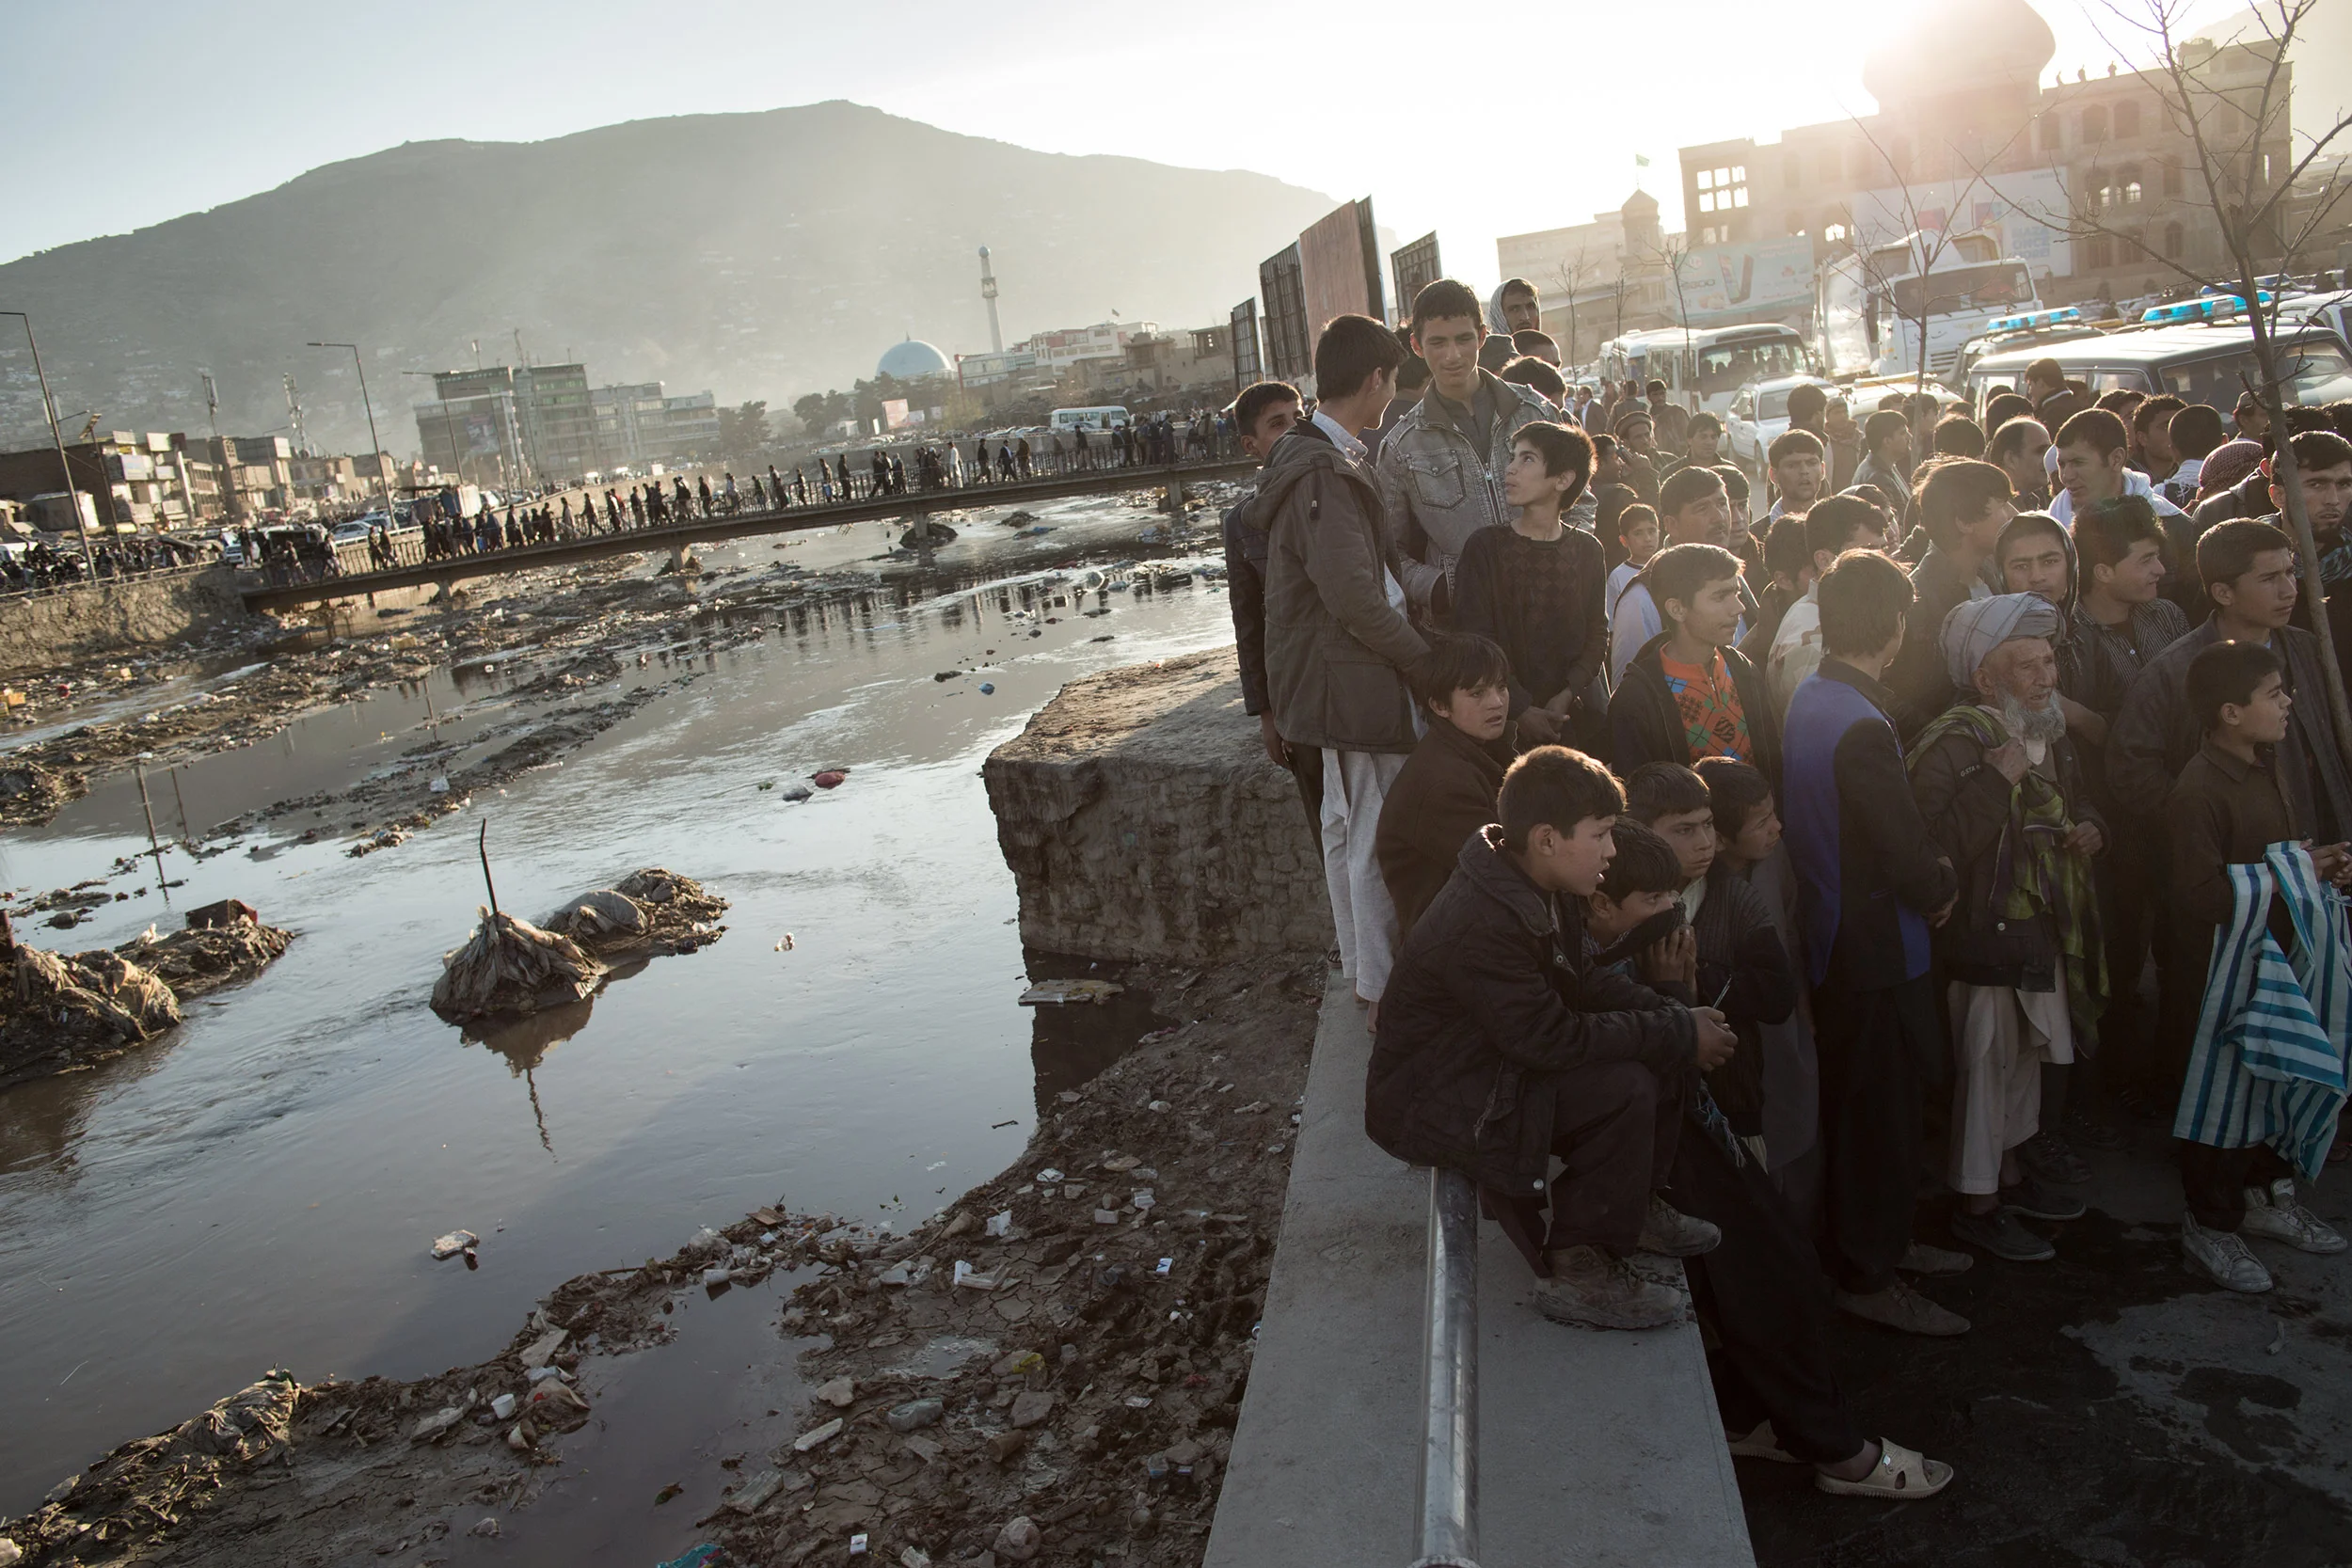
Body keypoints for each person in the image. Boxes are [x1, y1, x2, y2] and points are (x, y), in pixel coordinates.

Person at [1366, 747, 1738, 1330]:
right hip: (1438, 1097)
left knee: (1663, 1043)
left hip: (1486, 1061)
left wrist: (1674, 1015)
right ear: (1546, 839)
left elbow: (1582, 983)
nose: (1612, 852)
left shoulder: (1536, 882)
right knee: (1628, 1084)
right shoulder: (1484, 922)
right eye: (1601, 835)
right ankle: (1579, 1271)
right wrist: (1671, 1026)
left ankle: (1632, 1207)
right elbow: (1550, 1039)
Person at [1781, 550, 1968, 1335]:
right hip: (1874, 947)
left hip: (1832, 937)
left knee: (1864, 1108)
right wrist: (1942, 885)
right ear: (1895, 625)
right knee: (1879, 1116)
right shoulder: (1860, 721)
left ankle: (1880, 1242)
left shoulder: (1811, 694)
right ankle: (1868, 1271)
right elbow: (1901, 849)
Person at [1907, 594, 2106, 1263]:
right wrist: (1994, 784)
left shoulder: (2047, 731)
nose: (2045, 676)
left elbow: (2077, 802)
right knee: (1986, 1070)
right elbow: (1927, 850)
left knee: (2022, 1064)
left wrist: (2090, 828)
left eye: (2049, 661)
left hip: (2040, 931)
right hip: (1981, 940)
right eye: (2026, 666)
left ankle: (2010, 1179)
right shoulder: (1955, 740)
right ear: (1986, 678)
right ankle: (1976, 1205)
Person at [2166, 640, 2352, 1293]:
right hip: (2222, 975)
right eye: (2273, 694)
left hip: (2274, 960)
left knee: (2272, 1080)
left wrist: (2315, 862)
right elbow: (2199, 895)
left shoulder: (2266, 763)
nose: (2287, 702)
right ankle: (2210, 1225)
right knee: (2221, 1098)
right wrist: (2296, 871)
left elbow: (2274, 858)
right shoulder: (2199, 789)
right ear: (2230, 712)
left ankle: (2266, 1197)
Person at [1259, 316, 1424, 1027]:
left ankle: (1362, 969)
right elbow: (1355, 594)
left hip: (1327, 675)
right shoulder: (1324, 468)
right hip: (1350, 676)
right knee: (1372, 830)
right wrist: (1423, 660)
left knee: (1344, 824)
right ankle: (1382, 988)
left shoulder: (1305, 456)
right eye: (1392, 382)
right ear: (1377, 380)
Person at [1621, 762, 1799, 1154]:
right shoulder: (1618, 902)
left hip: (1733, 1102)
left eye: (1707, 824)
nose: (1704, 842)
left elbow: (1778, 994)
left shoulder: (1736, 900)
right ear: (1641, 833)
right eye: (1684, 830)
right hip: (1650, 1114)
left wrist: (1697, 979)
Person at [1378, 279, 1565, 606]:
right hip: (1467, 631)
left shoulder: (1535, 411)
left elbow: (1581, 500)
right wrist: (1443, 588)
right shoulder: (1403, 446)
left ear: (1481, 337)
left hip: (1552, 609)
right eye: (1437, 342)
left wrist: (1565, 563)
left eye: (1463, 339)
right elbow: (1389, 553)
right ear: (1417, 347)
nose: (1453, 356)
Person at [1452, 422, 1607, 747]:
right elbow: (1475, 637)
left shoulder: (1588, 550)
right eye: (1512, 458)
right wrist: (1521, 708)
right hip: (1500, 724)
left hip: (1569, 718)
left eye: (1527, 459)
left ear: (1563, 479)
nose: (1510, 469)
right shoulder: (1486, 548)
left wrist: (1567, 694)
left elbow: (1597, 634)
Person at [1219, 380, 1316, 836]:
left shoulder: (1332, 489)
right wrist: (1266, 714)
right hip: (1298, 693)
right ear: (1250, 444)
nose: (1295, 430)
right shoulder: (1241, 524)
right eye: (1278, 424)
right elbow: (1249, 624)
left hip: (1357, 683)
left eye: (1299, 417)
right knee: (1327, 823)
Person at [1375, 633, 1517, 937]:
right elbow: (1508, 872)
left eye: (1501, 687)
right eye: (1477, 693)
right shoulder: (1444, 786)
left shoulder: (1475, 749)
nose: (1497, 702)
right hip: (1454, 950)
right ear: (1440, 705)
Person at [1610, 543, 1781, 783]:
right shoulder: (1637, 699)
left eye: (1736, 594)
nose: (1738, 608)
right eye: (1720, 597)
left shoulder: (1745, 672)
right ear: (1677, 609)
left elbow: (1773, 767)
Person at [1887, 460, 2015, 725]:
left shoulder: (1996, 571)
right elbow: (1893, 696)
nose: (2012, 515)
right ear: (1964, 522)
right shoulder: (1915, 600)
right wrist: (1955, 736)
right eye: (2001, 507)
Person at [1608, 465, 1739, 685]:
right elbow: (1630, 691)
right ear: (1672, 525)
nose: (1719, 518)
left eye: (1722, 504)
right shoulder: (1643, 598)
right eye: (1702, 508)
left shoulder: (1731, 573)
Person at [1768, 496, 1894, 714]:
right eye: (1867, 552)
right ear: (1824, 560)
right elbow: (1815, 733)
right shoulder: (1814, 641)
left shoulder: (1834, 613)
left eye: (1883, 551)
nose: (1882, 562)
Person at [2050, 407, 2183, 527]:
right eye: (2061, 464)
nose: (2067, 476)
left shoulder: (2171, 525)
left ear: (2116, 459)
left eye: (2078, 463)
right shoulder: (2052, 526)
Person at [1851, 410, 1914, 521]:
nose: (1910, 437)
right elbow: (1890, 527)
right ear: (1887, 441)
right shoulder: (1877, 478)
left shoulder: (1888, 465)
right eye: (1903, 433)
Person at [1605, 500, 1660, 615]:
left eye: (1652, 531)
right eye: (1638, 533)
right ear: (1624, 540)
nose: (1648, 538)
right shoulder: (1617, 577)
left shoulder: (1669, 566)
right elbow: (1611, 622)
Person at [1987, 416, 2053, 511]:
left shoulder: (2032, 500)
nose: (2047, 458)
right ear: (2010, 459)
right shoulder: (1994, 508)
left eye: (2048, 451)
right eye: (2040, 451)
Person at [1764, 429, 1828, 525]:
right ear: (1774, 475)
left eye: (1811, 463)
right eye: (1792, 465)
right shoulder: (1758, 536)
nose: (1804, 471)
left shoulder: (1836, 528)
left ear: (1822, 470)